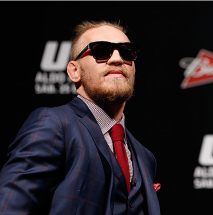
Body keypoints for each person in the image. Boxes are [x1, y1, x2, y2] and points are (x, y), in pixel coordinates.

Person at [0, 20, 160, 215]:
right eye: (101, 51)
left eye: (127, 52)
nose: (117, 59)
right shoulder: (54, 124)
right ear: (74, 71)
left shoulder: (145, 156)